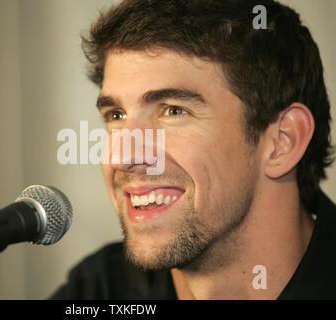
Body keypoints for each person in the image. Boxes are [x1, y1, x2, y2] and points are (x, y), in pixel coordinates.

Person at [50, 0, 335, 299]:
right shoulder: (98, 291)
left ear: (282, 142)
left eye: (173, 111)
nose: (123, 157)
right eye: (116, 116)